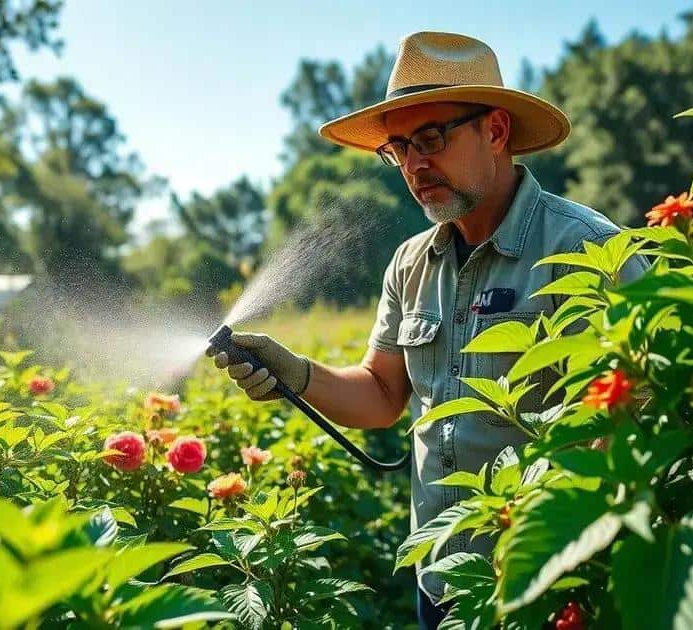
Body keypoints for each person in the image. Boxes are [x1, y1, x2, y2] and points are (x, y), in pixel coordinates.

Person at [206, 31, 649, 629]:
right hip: (441, 579)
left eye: (431, 139)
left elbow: (638, 416)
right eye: (398, 149)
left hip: (553, 585)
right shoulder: (412, 263)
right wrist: (298, 374)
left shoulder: (585, 249)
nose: (414, 165)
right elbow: (383, 394)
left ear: (495, 131)